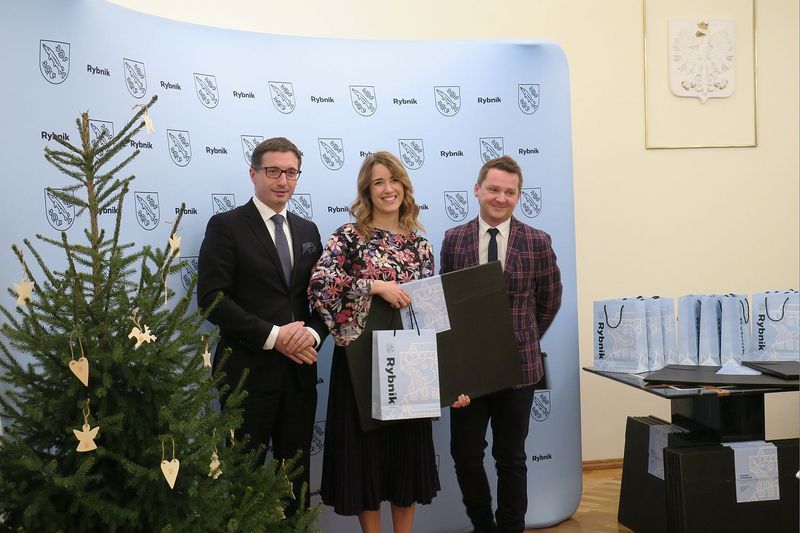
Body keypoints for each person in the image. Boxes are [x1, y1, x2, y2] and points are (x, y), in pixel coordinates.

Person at [308, 151, 469, 533]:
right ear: (367, 191)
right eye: (378, 182)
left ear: (404, 187)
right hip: (361, 365)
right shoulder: (349, 237)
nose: (387, 188)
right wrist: (375, 286)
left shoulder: (421, 246)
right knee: (366, 459)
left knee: (405, 460)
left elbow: (431, 316)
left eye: (393, 180)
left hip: (409, 366)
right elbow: (320, 285)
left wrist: (449, 380)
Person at [197, 137, 327, 515]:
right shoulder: (226, 226)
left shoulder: (309, 230)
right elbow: (212, 299)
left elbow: (324, 298)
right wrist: (275, 337)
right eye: (273, 171)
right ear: (253, 174)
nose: (282, 180)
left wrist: (312, 334)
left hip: (300, 376)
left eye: (291, 172)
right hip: (245, 377)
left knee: (296, 483)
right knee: (244, 481)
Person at [440, 155, 562, 533]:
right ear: (477, 190)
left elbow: (549, 300)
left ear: (518, 196)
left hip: (519, 369)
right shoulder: (453, 239)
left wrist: (523, 339)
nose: (500, 198)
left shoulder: (537, 241)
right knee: (465, 454)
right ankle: (483, 526)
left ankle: (510, 528)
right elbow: (444, 303)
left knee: (511, 457)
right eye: (493, 189)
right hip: (468, 371)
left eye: (509, 192)